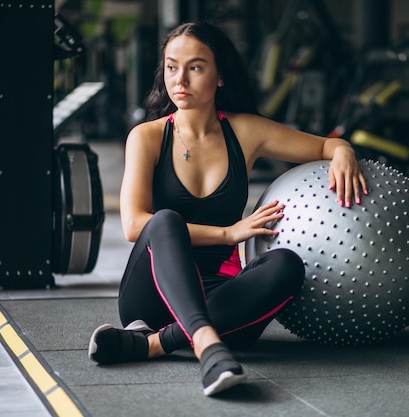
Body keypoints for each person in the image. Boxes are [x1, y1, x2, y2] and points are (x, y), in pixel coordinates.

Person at [88, 21, 368, 397]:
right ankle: (206, 344)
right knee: (164, 220)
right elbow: (135, 225)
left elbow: (325, 147)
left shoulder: (245, 132)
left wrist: (344, 152)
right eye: (171, 67)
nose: (180, 79)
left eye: (196, 67)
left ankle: (152, 344)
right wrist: (227, 234)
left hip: (221, 298)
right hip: (150, 296)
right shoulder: (148, 136)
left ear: (220, 76)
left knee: (286, 264)